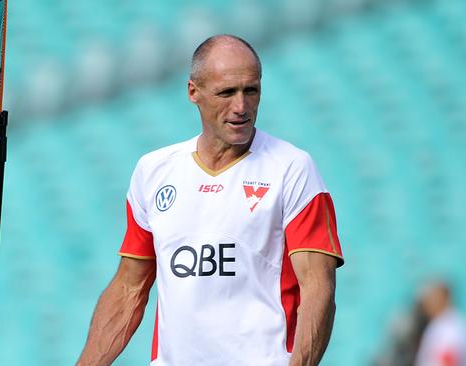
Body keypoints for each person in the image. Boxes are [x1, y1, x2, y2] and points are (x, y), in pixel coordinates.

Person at [77, 34, 344, 366]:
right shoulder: (153, 171)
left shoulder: (292, 168)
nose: (241, 107)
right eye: (226, 93)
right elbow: (129, 289)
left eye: (251, 90)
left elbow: (318, 288)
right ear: (193, 92)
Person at [415, 281, 466, 366]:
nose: (428, 303)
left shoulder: (450, 327)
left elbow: (448, 361)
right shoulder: (439, 323)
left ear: (443, 298)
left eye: (433, 298)